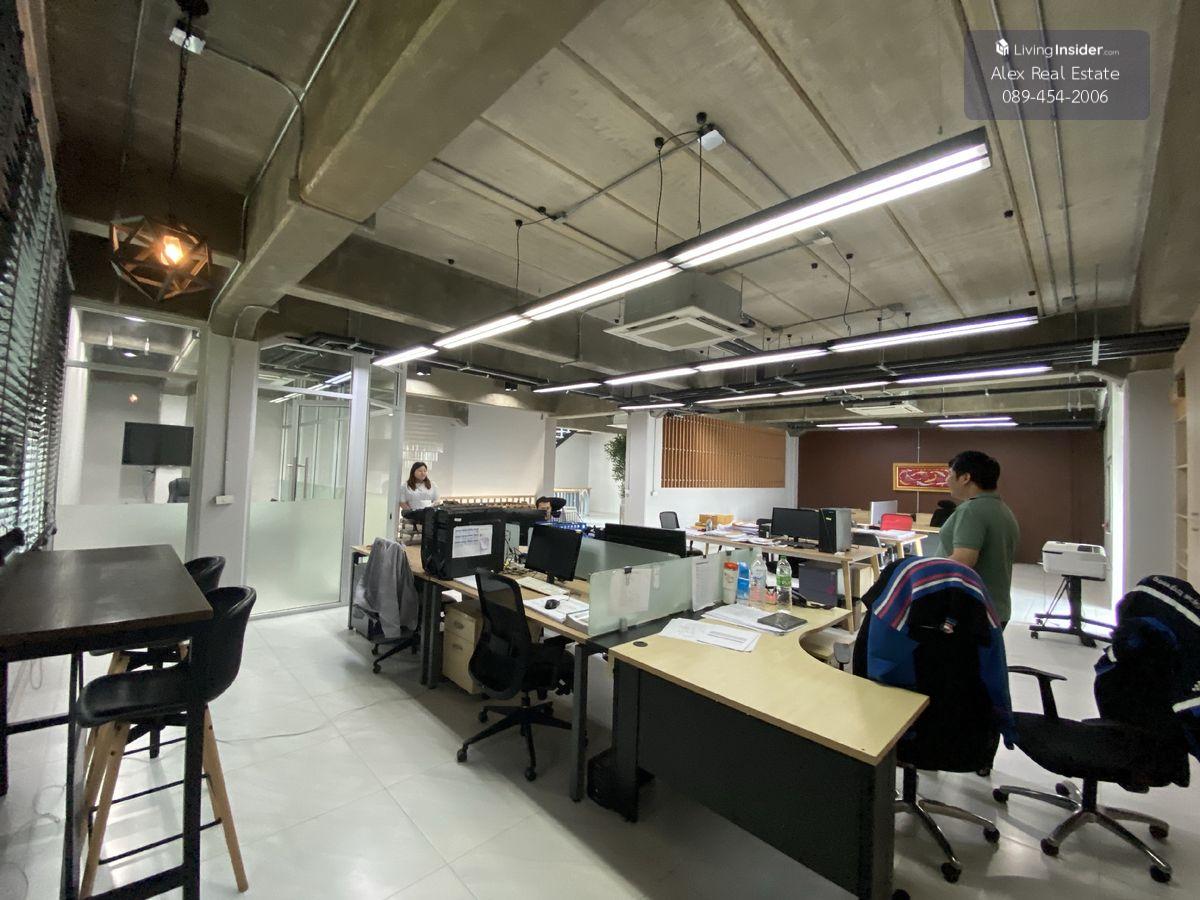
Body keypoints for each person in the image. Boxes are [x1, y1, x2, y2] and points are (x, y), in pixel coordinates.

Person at [937, 450, 1020, 629]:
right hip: (995, 608)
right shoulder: (1001, 508)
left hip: (971, 611)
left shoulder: (971, 510)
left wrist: (923, 571)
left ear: (965, 478)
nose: (947, 480)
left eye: (950, 474)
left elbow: (964, 560)